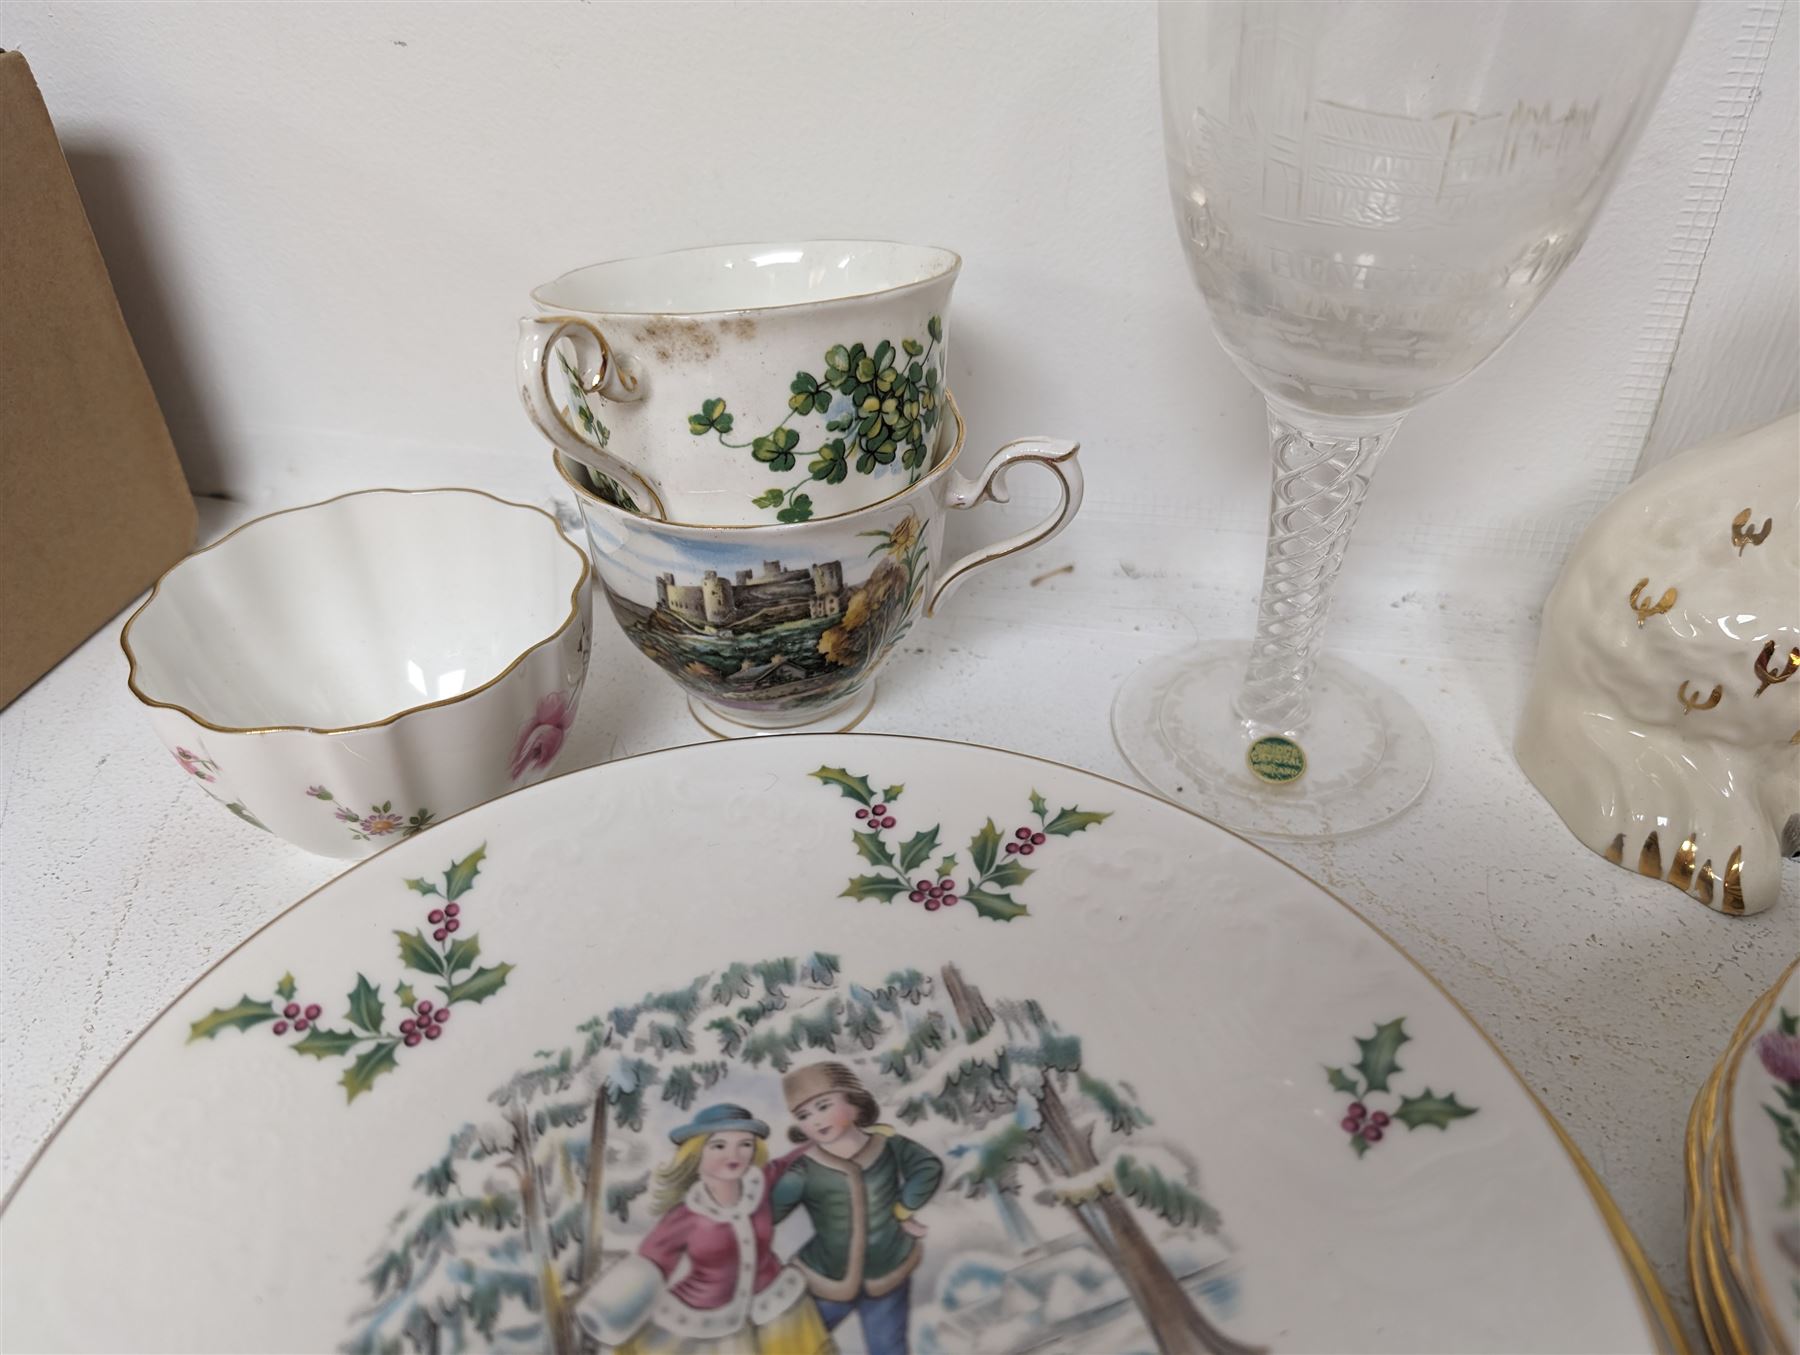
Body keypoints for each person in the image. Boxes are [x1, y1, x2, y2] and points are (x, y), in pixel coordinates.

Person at [577, 1103, 833, 1355]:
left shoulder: (760, 1184)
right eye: (719, 1145)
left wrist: (830, 1134)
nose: (734, 1155)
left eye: (745, 1144)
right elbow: (649, 1268)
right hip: (708, 1326)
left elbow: (790, 1160)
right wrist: (607, 1312)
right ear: (697, 1153)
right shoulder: (685, 1217)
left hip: (775, 1308)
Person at [771, 1063, 943, 1355]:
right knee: (794, 1347)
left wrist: (904, 1208)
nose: (815, 1120)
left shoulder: (888, 1145)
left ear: (854, 1104)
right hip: (823, 1281)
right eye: (803, 1115)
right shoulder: (803, 1169)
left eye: (823, 1106)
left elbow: (927, 1167)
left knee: (889, 1348)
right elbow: (768, 1212)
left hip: (887, 1274)